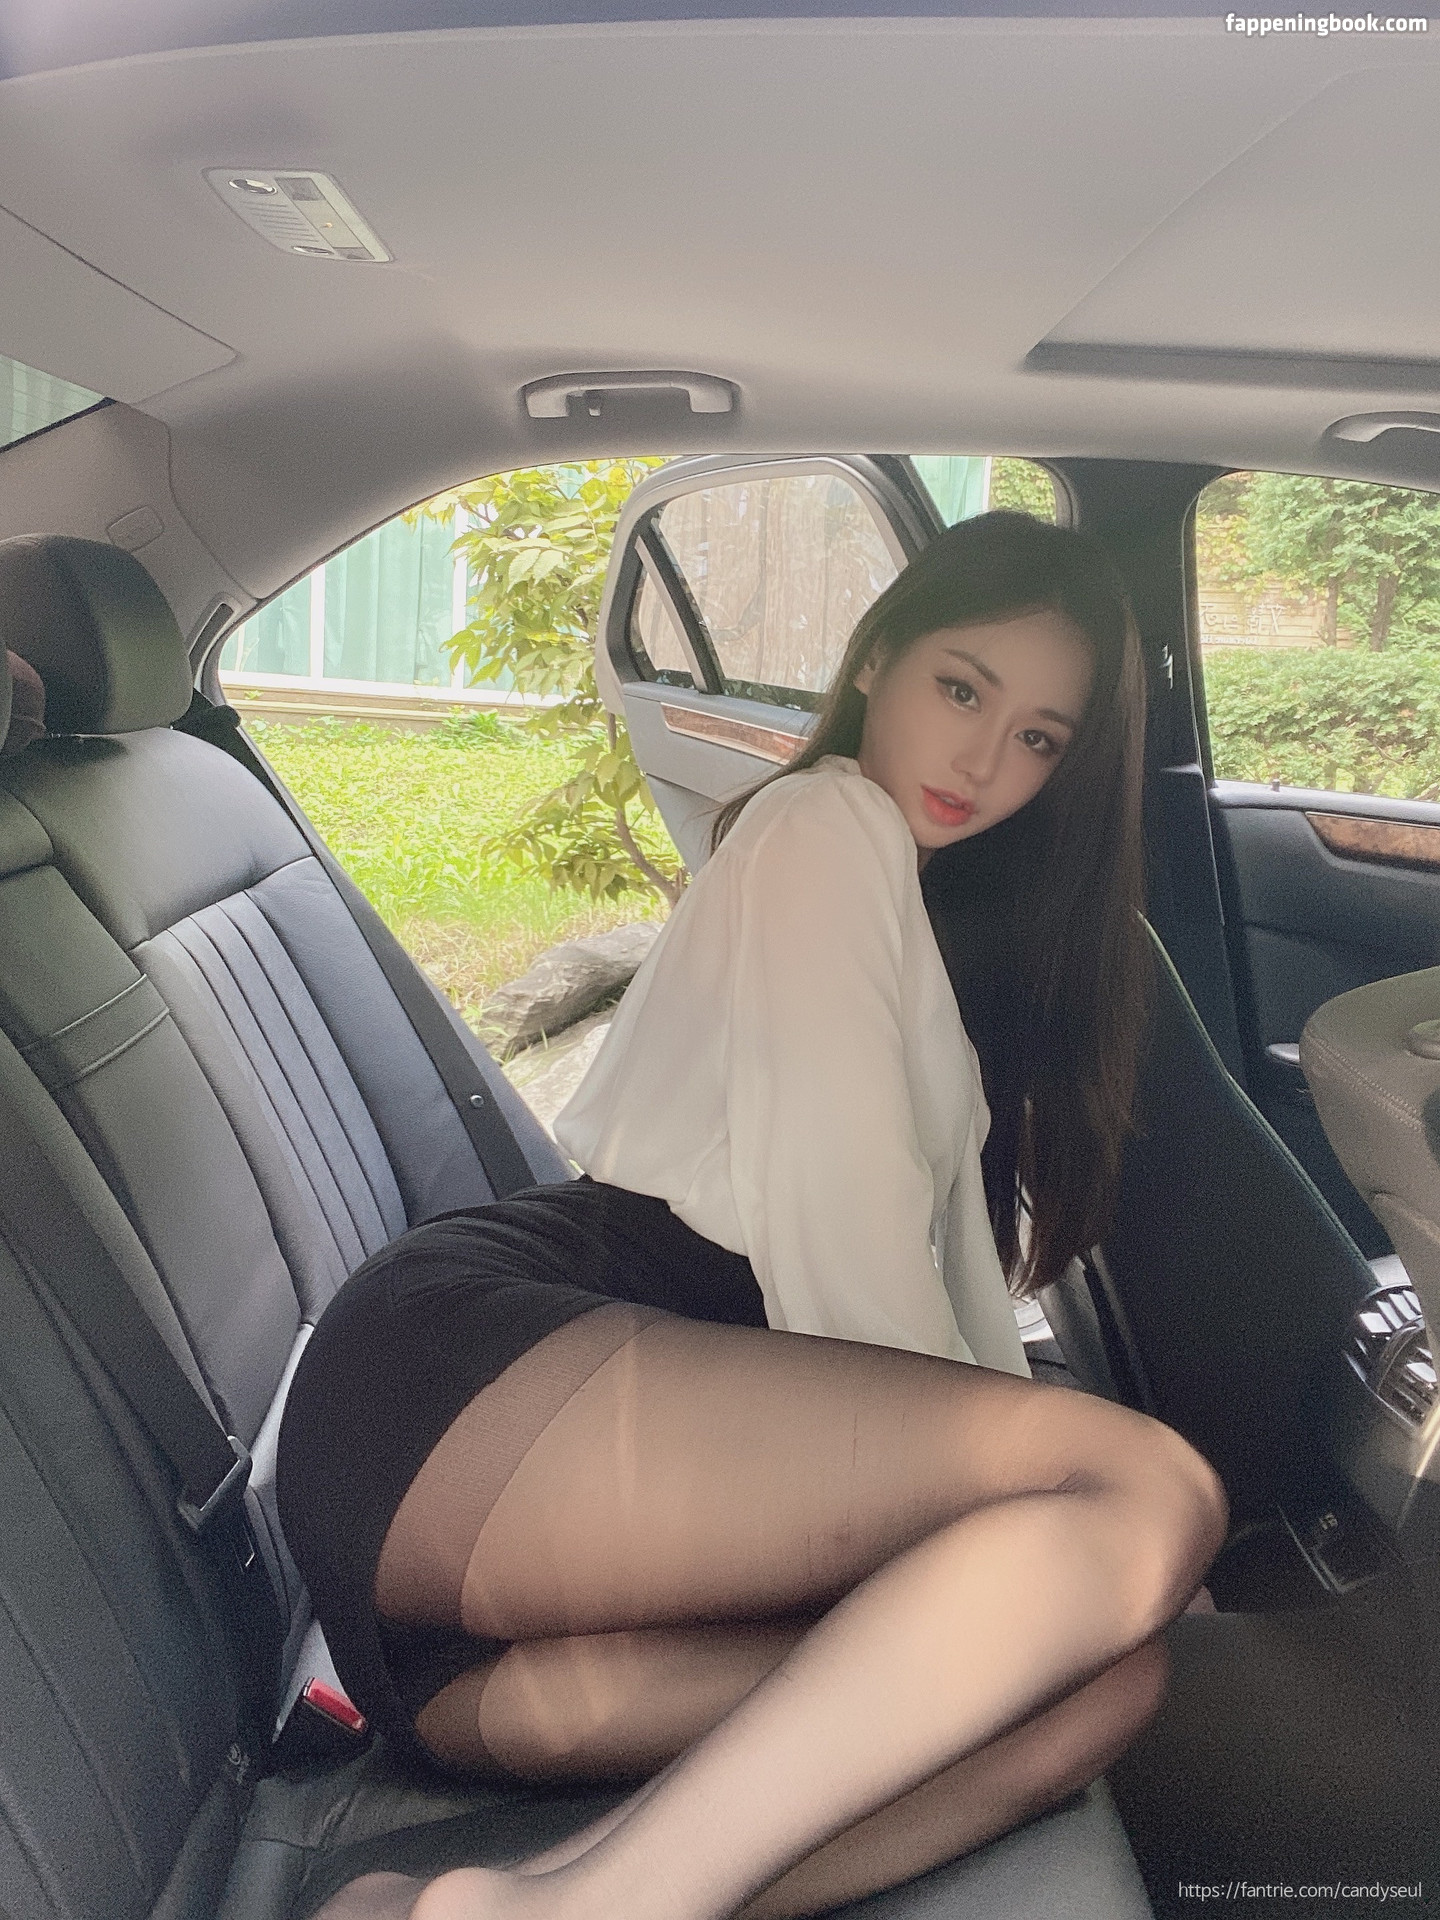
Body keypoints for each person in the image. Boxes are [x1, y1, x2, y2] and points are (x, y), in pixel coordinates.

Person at [280, 511, 1229, 1920]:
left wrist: (1071, 1557)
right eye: (962, 689)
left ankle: (505, 1906)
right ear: (878, 659)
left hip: (500, 1639)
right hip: (476, 1394)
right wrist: (1029, 1494)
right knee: (1154, 1496)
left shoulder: (916, 899)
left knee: (1099, 1683)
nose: (983, 760)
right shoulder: (822, 828)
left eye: (1038, 737)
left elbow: (934, 1273)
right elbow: (845, 1221)